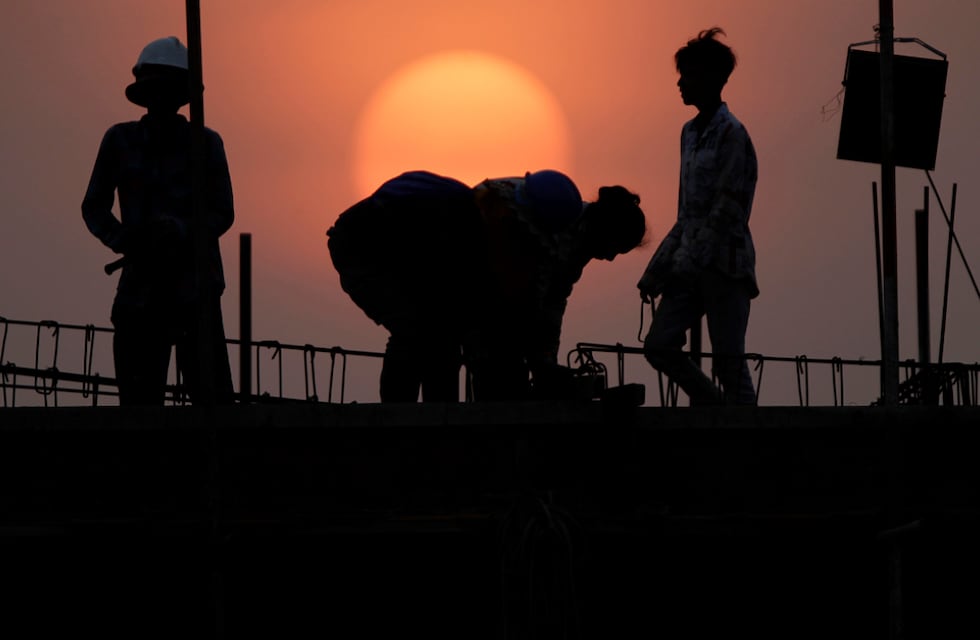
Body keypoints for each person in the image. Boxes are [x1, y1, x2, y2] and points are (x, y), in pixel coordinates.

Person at [327, 170, 645, 402]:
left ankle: (438, 423)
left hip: (412, 253)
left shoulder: (543, 227)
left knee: (444, 334)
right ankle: (400, 422)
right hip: (368, 247)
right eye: (616, 247)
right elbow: (496, 298)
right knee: (419, 329)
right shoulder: (479, 222)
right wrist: (527, 359)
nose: (612, 258)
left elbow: (543, 302)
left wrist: (541, 360)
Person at [82, 36, 235, 405]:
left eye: (169, 91)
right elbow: (94, 207)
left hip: (195, 289)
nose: (162, 100)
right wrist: (126, 241)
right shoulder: (120, 140)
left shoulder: (206, 143)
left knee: (211, 404)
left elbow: (222, 212)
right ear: (144, 94)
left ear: (182, 96)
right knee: (139, 406)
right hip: (141, 292)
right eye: (155, 90)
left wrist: (182, 231)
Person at [637, 27, 759, 405]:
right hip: (688, 263)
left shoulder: (732, 134)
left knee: (728, 363)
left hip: (725, 265)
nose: (680, 83)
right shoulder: (689, 133)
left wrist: (688, 262)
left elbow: (725, 209)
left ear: (711, 78)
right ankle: (711, 403)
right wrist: (657, 270)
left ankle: (749, 436)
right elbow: (687, 212)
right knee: (659, 345)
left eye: (687, 74)